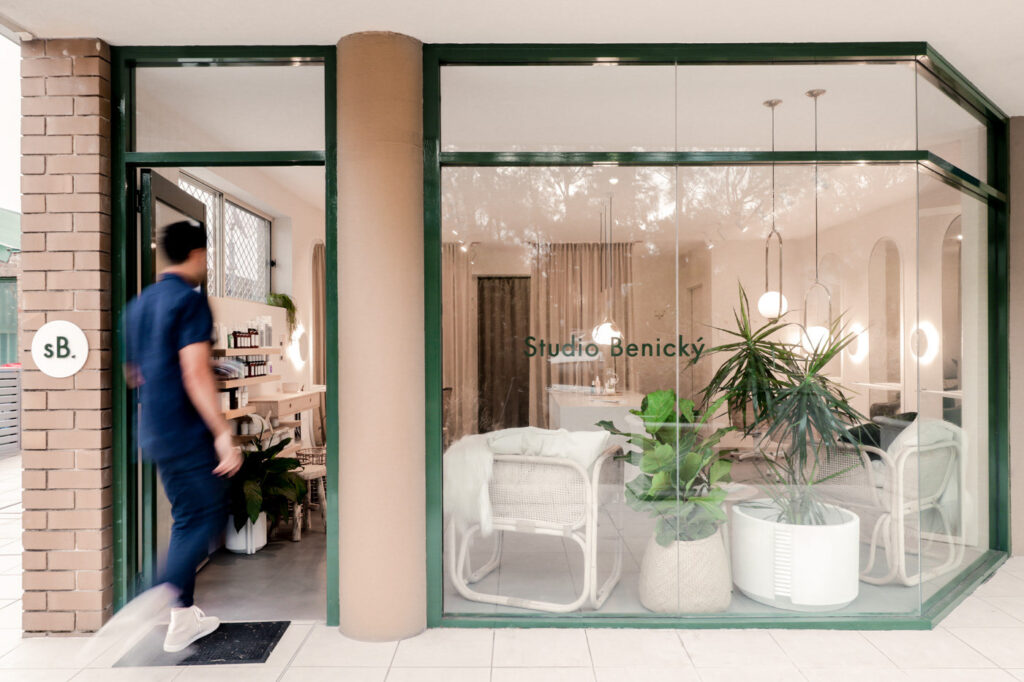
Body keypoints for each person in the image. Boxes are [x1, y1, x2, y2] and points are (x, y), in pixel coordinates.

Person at [124, 219, 243, 653]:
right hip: (187, 431)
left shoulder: (138, 306)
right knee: (210, 515)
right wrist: (222, 433)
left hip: (154, 431)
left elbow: (133, 373)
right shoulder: (189, 302)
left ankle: (182, 619)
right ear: (198, 254)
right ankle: (163, 590)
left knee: (187, 518)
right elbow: (194, 372)